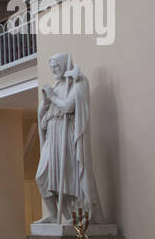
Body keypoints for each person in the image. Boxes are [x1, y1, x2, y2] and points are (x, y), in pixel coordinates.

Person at [35, 52, 104, 224]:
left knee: (66, 176)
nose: (54, 70)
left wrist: (52, 97)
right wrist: (45, 103)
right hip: (52, 134)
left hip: (66, 136)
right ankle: (53, 214)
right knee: (41, 177)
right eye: (52, 68)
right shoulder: (57, 85)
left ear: (65, 65)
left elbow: (69, 106)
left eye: (57, 66)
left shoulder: (77, 82)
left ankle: (74, 214)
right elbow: (43, 117)